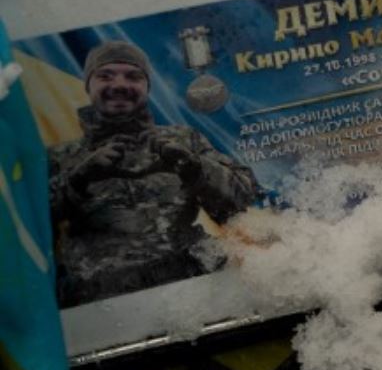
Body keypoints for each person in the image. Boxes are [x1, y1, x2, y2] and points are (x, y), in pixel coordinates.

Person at [48, 40, 258, 307]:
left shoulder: (183, 139)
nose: (120, 85)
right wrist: (80, 177)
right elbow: (29, 231)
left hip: (194, 291)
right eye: (105, 76)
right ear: (88, 85)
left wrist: (194, 168)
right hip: (102, 302)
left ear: (147, 87)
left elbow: (241, 201)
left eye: (133, 76)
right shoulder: (59, 156)